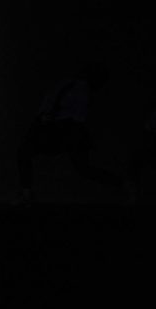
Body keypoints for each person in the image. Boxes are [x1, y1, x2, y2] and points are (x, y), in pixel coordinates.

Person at [14, 61, 123, 206]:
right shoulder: (70, 85)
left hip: (62, 128)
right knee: (24, 153)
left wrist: (52, 122)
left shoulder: (81, 89)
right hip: (50, 126)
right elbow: (51, 103)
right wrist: (43, 119)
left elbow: (75, 116)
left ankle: (122, 185)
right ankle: (27, 194)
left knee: (83, 168)